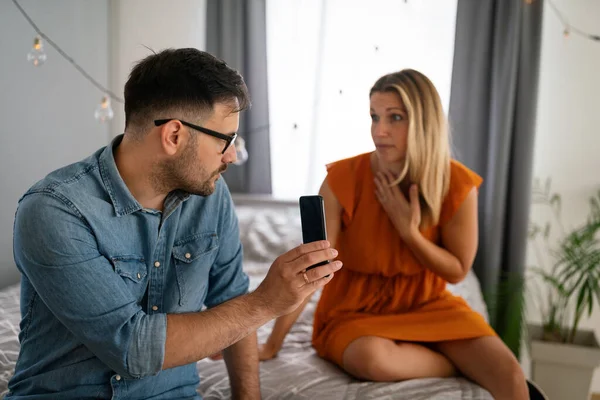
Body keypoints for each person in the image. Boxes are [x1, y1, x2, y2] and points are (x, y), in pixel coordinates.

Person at [6, 48, 341, 399]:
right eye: (225, 140)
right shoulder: (54, 210)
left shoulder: (212, 197)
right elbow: (132, 348)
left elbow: (232, 299)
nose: (231, 156)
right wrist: (266, 302)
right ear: (174, 136)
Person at [259, 69, 529, 400]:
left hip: (428, 303)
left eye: (395, 117)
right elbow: (313, 270)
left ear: (424, 123)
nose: (379, 131)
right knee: (372, 360)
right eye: (374, 117)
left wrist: (410, 233)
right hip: (353, 311)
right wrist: (273, 343)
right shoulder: (342, 179)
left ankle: (452, 359)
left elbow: (457, 271)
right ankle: (454, 364)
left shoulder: (457, 184)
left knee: (512, 376)